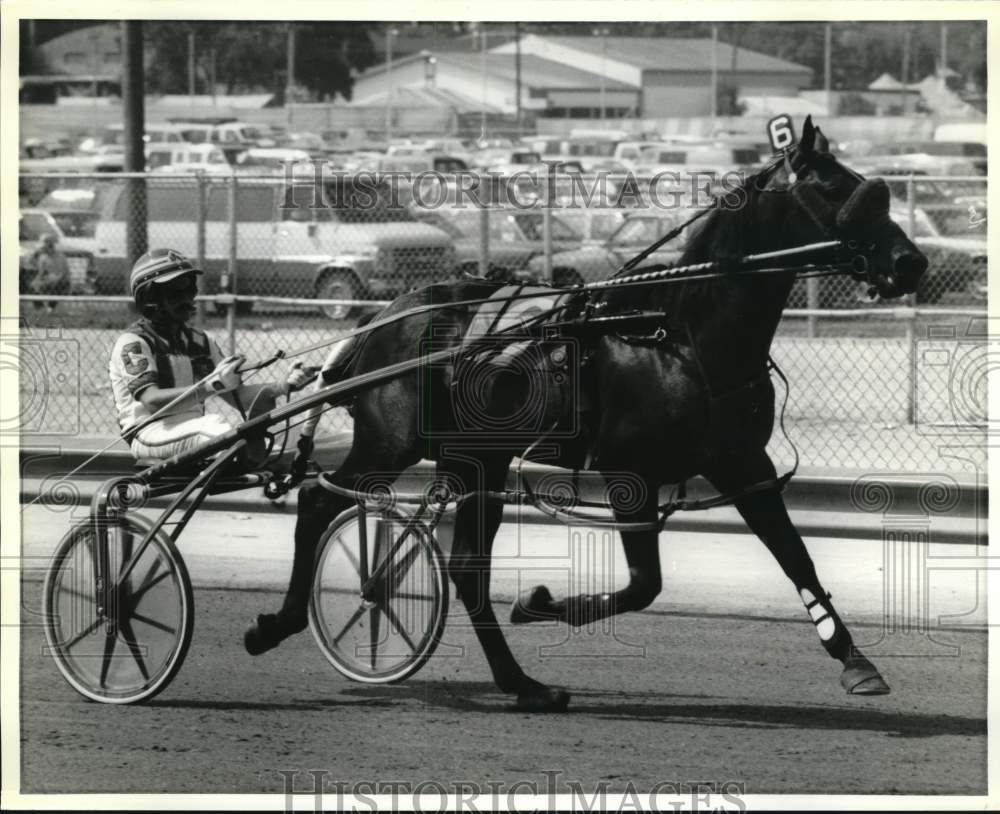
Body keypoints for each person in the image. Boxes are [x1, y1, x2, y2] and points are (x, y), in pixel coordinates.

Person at [109, 248, 312, 464]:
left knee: (297, 434)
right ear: (150, 299)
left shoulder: (201, 342)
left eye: (190, 290)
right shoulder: (134, 343)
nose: (187, 299)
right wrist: (209, 386)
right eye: (176, 293)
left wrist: (281, 386)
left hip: (196, 430)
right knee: (214, 428)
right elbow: (152, 401)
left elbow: (240, 397)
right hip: (150, 432)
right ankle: (256, 459)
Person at [31, 234, 71, 312]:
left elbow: (62, 274)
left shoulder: (60, 256)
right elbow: (40, 273)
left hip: (60, 280)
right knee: (33, 285)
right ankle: (40, 308)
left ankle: (50, 308)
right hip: (48, 279)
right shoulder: (43, 257)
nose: (41, 249)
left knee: (57, 284)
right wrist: (38, 281)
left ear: (50, 245)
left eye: (43, 246)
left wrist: (52, 278)